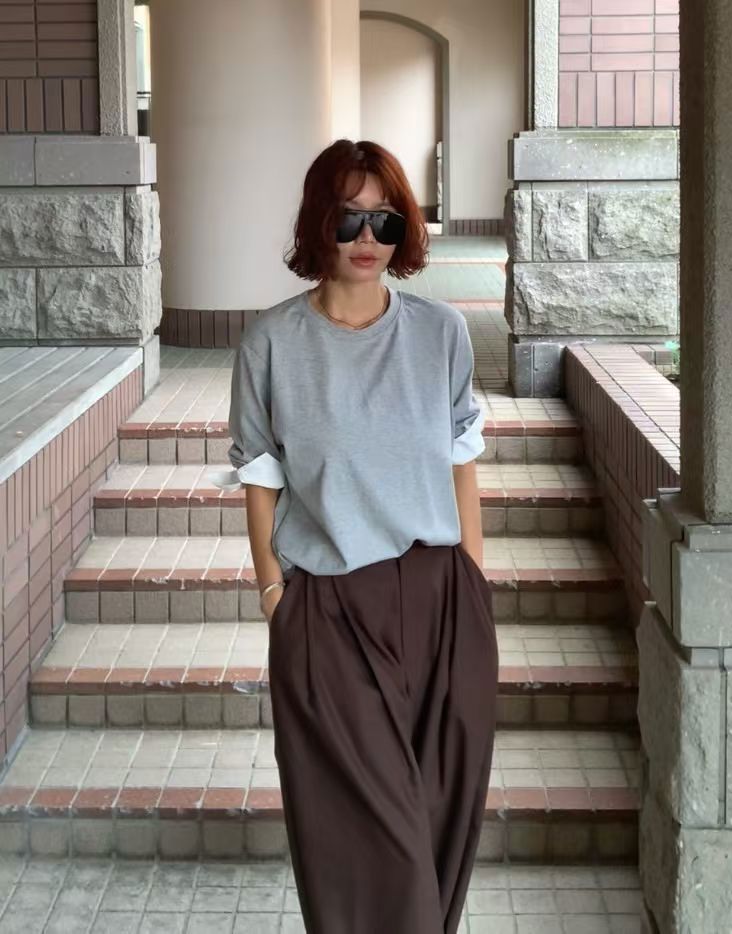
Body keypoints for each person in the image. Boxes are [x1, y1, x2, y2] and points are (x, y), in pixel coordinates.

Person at [212, 139, 498, 934]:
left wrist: (473, 586)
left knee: (438, 830)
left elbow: (461, 462)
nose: (367, 238)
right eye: (348, 219)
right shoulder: (272, 344)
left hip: (442, 602)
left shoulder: (441, 333)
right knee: (370, 848)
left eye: (385, 219)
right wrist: (274, 594)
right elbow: (261, 474)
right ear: (318, 223)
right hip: (330, 611)